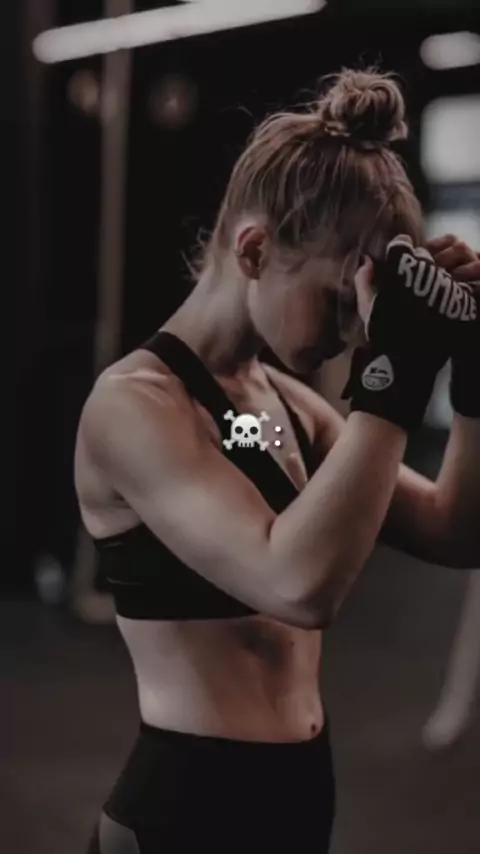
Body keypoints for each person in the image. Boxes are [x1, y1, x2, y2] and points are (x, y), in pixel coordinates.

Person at [76, 68, 480, 853]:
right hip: (183, 813)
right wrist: (393, 376)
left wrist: (473, 379)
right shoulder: (133, 407)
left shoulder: (285, 407)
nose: (354, 332)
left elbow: (456, 529)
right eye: (339, 300)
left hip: (296, 798)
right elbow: (297, 583)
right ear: (255, 249)